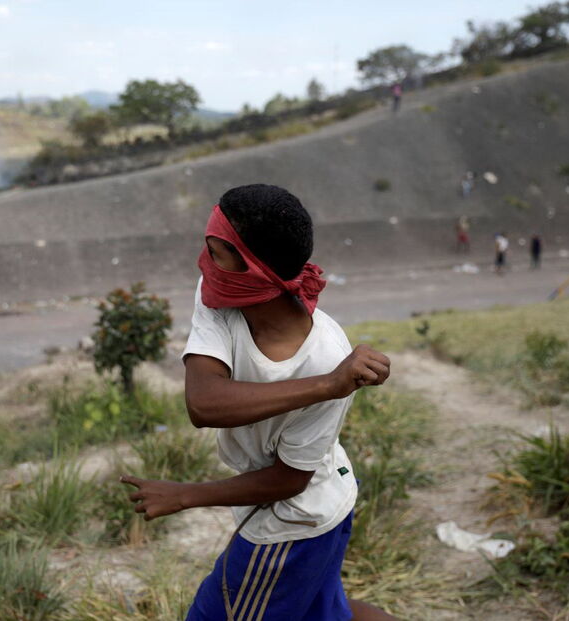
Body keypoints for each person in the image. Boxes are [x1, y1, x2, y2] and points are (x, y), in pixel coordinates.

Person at [121, 184, 397, 621]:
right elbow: (205, 402)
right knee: (326, 613)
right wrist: (328, 385)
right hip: (317, 500)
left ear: (253, 270)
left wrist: (185, 496)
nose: (203, 261)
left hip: (294, 522)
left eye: (216, 251)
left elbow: (288, 481)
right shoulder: (219, 293)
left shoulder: (326, 354)